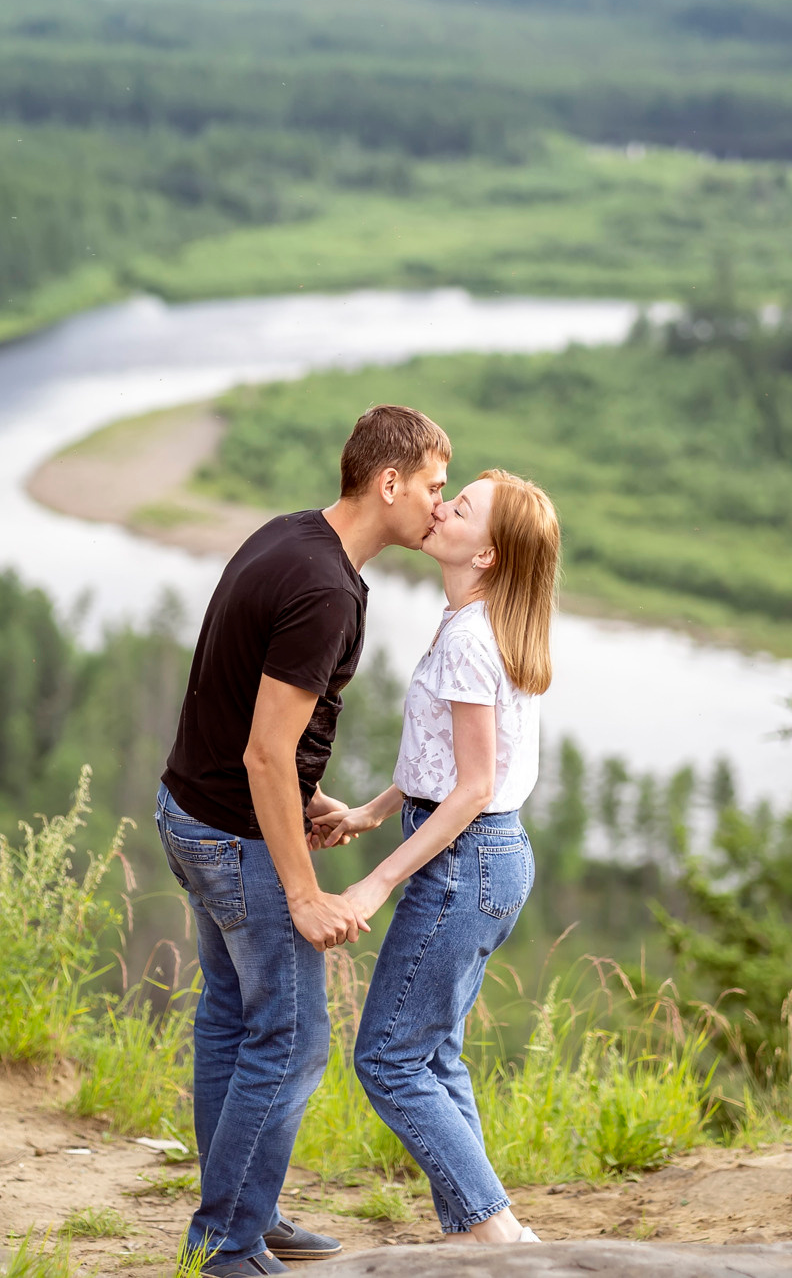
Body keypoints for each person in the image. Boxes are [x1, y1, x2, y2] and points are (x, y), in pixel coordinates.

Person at [157, 405, 452, 1277]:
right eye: (434, 486)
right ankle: (227, 1241)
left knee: (231, 1017)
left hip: (189, 811)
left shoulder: (292, 537)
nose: (440, 505)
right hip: (235, 836)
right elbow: (264, 751)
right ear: (389, 482)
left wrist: (311, 797)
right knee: (290, 1038)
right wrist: (302, 892)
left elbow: (240, 710)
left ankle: (243, 1207)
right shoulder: (328, 591)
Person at [312, 469, 561, 1247]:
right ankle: (475, 1236)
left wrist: (377, 882)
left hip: (464, 861)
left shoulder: (469, 640)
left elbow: (472, 787)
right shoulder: (484, 625)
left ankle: (501, 1235)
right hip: (492, 857)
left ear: (485, 554)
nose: (441, 507)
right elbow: (447, 763)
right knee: (435, 1053)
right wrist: (372, 810)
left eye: (461, 507)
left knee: (388, 1059)